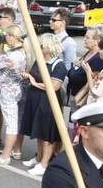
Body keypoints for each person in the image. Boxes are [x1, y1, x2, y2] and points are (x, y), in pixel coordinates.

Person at [18, 34, 68, 178]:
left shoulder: (59, 65)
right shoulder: (39, 60)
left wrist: (34, 83)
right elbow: (33, 74)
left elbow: (55, 86)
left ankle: (45, 164)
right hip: (35, 99)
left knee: (47, 134)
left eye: (41, 46)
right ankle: (39, 158)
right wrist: (27, 76)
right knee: (39, 131)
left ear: (49, 47)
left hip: (48, 102)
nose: (39, 48)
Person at [0, 25, 28, 166]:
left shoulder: (11, 56)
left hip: (7, 91)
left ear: (12, 36)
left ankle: (5, 156)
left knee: (11, 124)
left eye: (6, 35)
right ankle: (12, 150)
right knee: (13, 122)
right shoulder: (22, 51)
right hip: (16, 89)